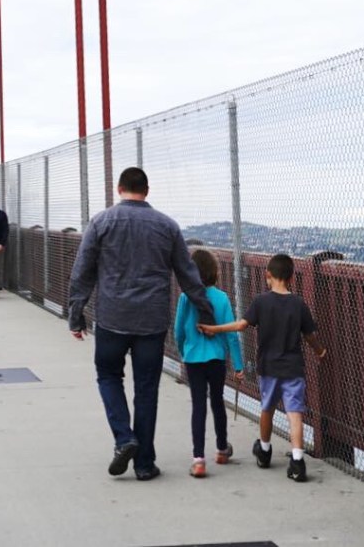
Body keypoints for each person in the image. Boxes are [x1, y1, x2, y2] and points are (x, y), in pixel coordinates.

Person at [68, 166, 215, 482]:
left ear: (119, 189)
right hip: (151, 319)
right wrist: (205, 312)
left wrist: (75, 313)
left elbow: (82, 271)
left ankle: (124, 438)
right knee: (146, 389)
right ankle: (145, 464)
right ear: (147, 191)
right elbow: (189, 274)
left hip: (111, 317)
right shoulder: (167, 226)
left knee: (108, 376)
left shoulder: (101, 222)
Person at [198, 252, 326, 483]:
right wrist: (321, 352)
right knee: (294, 413)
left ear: (268, 275)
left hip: (268, 368)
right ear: (291, 278)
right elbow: (310, 336)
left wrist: (213, 329)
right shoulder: (299, 304)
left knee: (267, 409)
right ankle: (297, 460)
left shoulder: (260, 302)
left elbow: (240, 326)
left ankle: (265, 449)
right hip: (293, 368)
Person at [173, 248, 244, 478]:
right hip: (216, 359)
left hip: (194, 359)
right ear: (214, 272)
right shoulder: (221, 298)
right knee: (217, 402)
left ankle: (199, 459)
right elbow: (231, 334)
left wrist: (184, 351)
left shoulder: (186, 297)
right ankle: (222, 449)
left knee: (198, 406)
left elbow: (178, 330)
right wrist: (239, 365)